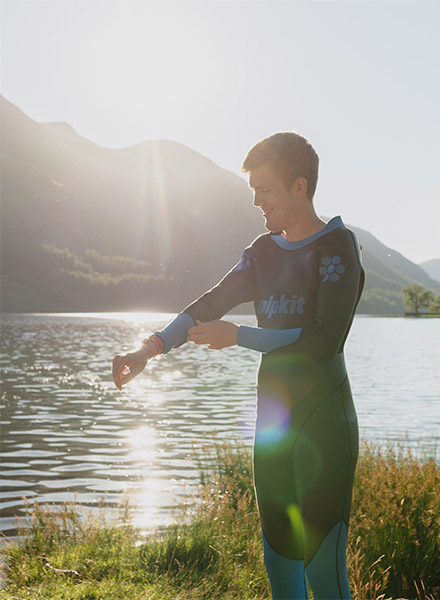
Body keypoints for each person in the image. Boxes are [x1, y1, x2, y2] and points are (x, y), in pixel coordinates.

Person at [112, 132, 365, 599]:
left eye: (264, 189)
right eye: (252, 190)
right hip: (274, 425)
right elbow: (213, 302)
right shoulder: (263, 252)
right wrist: (148, 349)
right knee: (279, 560)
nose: (256, 201)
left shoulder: (338, 247)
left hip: (325, 424)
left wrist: (240, 336)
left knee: (323, 570)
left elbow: (325, 341)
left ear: (298, 187)